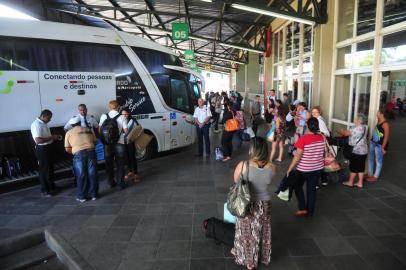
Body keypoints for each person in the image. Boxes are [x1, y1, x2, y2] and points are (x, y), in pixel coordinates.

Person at [231, 137, 274, 270]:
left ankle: (250, 262)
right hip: (265, 203)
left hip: (248, 203)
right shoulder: (272, 167)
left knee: (247, 233)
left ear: (252, 149)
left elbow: (236, 180)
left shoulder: (244, 165)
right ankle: (263, 256)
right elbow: (268, 182)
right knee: (263, 231)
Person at [287, 117, 325, 217]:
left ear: (307, 126)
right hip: (317, 168)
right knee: (311, 190)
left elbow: (297, 156)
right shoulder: (322, 137)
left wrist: (290, 168)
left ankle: (303, 208)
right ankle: (310, 211)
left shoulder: (303, 139)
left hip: (304, 169)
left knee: (298, 186)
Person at [64, 116, 98, 202]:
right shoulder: (88, 129)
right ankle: (94, 195)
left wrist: (76, 152)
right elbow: (95, 141)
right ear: (80, 123)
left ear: (71, 125)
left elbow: (67, 148)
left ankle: (82, 196)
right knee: (92, 174)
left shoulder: (69, 133)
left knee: (81, 175)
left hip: (79, 154)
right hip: (91, 152)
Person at [99, 100, 128, 189]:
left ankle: (111, 182)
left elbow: (99, 129)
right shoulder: (122, 117)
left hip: (107, 144)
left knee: (109, 163)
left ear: (109, 107)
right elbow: (126, 131)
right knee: (120, 164)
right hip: (119, 143)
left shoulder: (104, 116)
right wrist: (121, 135)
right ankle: (120, 184)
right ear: (118, 107)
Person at [31, 109, 60, 197]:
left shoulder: (44, 123)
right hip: (42, 149)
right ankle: (44, 190)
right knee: (44, 170)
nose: (49, 120)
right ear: (43, 116)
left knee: (50, 168)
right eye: (49, 118)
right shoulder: (36, 124)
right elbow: (38, 140)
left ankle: (51, 187)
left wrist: (53, 138)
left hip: (48, 148)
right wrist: (52, 137)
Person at [338, 115, 368, 188]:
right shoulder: (364, 127)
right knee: (361, 166)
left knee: (353, 167)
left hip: (356, 151)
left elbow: (345, 134)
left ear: (358, 120)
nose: (354, 120)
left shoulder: (356, 128)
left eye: (355, 119)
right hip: (364, 150)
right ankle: (360, 183)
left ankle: (350, 182)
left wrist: (340, 131)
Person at [367, 108, 390, 182]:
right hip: (373, 143)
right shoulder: (379, 121)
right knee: (370, 158)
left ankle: (375, 176)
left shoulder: (385, 124)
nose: (376, 114)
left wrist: (383, 147)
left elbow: (386, 137)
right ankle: (370, 174)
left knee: (378, 160)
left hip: (379, 145)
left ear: (382, 114)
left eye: (378, 113)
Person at [121, 108, 141, 182]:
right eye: (122, 114)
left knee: (132, 158)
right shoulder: (121, 120)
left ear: (129, 113)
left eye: (125, 114)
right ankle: (130, 172)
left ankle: (135, 174)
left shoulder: (132, 120)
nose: (124, 115)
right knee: (126, 158)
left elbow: (137, 129)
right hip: (123, 143)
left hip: (130, 142)